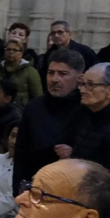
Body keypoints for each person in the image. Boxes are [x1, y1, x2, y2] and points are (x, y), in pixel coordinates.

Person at [56, 64, 110, 207]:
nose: (82, 90)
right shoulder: (87, 113)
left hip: (101, 207)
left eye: (90, 85)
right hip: (81, 196)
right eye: (82, 83)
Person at [13, 48, 85, 185]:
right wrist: (18, 186)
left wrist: (75, 154)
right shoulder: (34, 107)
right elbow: (21, 151)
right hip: (33, 183)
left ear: (79, 78)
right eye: (51, 73)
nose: (55, 79)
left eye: (63, 74)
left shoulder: (87, 109)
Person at [0, 39, 42, 105]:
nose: (11, 52)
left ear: (21, 53)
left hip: (21, 111)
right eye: (8, 49)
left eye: (15, 50)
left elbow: (37, 97)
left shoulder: (30, 71)